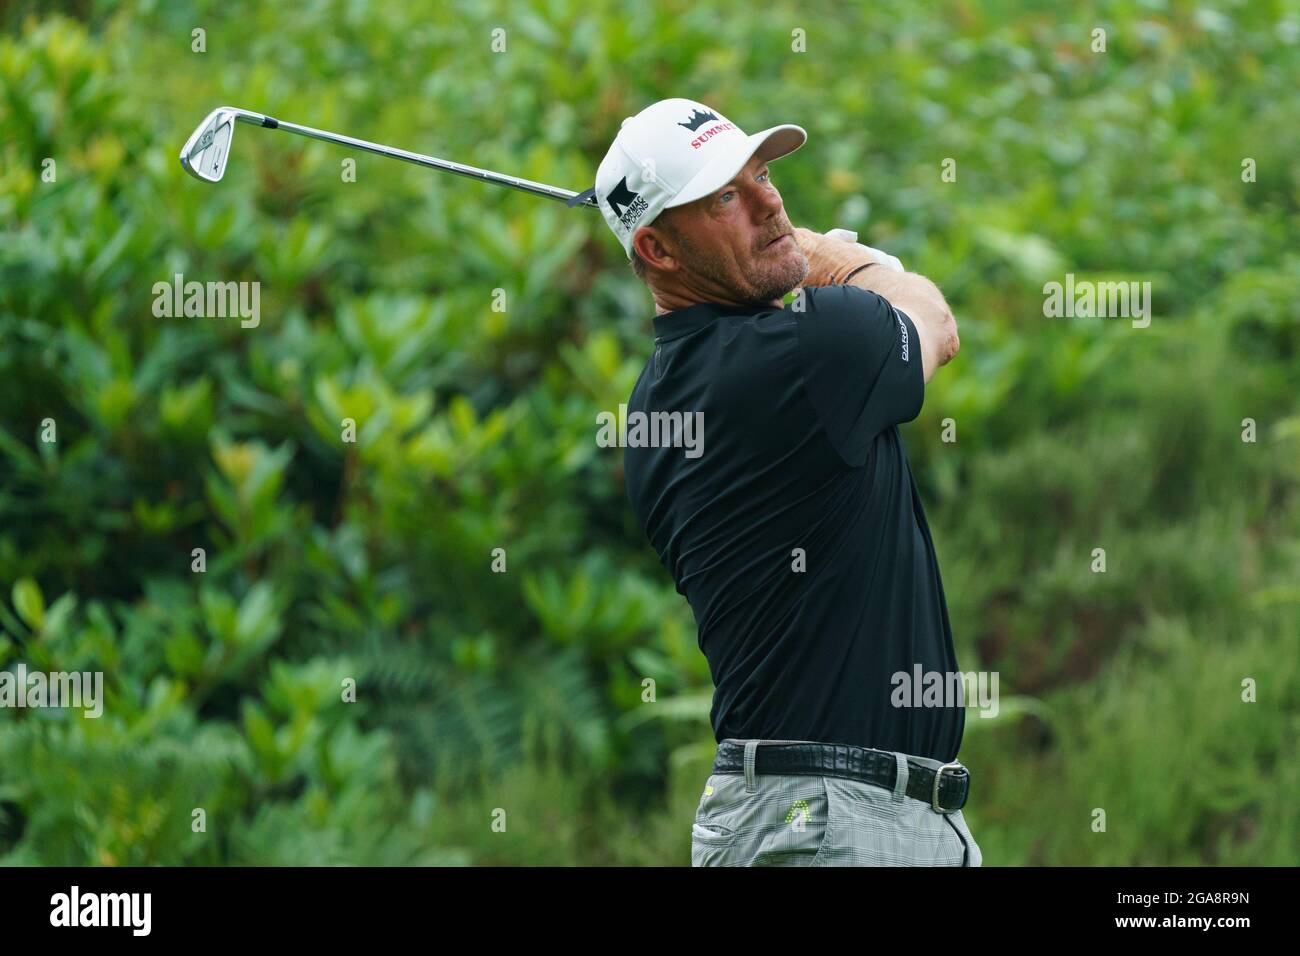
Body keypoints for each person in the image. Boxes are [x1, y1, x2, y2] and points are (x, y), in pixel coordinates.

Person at [586, 98, 979, 866]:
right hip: (832, 822)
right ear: (658, 250)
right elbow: (935, 322)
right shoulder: (805, 352)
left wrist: (780, 252)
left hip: (827, 816)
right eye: (726, 196)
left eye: (760, 173)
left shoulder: (657, 399)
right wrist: (843, 258)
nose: (770, 200)